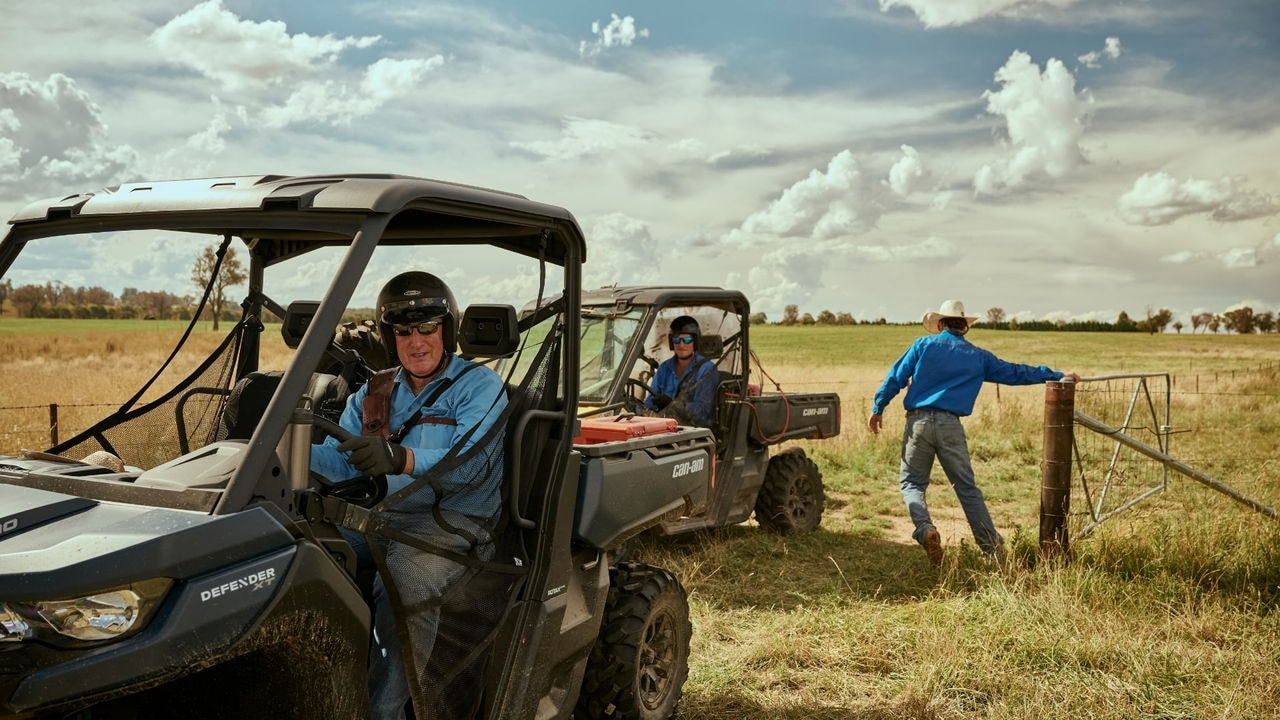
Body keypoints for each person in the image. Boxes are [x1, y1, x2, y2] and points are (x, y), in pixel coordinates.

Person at [311, 271, 508, 720]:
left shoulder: (478, 386)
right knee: (301, 547)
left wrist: (400, 458)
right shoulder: (375, 391)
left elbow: (470, 464)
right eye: (403, 330)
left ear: (448, 330)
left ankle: (390, 711)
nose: (416, 341)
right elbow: (343, 462)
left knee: (403, 582)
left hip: (453, 521)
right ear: (389, 336)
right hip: (378, 515)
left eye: (427, 327)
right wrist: (290, 447)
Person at [867, 299, 1080, 567]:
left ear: (941, 323)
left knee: (912, 483)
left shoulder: (923, 345)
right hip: (950, 425)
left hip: (918, 422)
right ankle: (993, 551)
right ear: (965, 326)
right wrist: (1057, 374)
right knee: (967, 490)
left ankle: (925, 530)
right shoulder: (978, 356)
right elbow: (1016, 373)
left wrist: (878, 408)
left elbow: (895, 377)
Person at [644, 314, 718, 427]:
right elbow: (650, 402)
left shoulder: (707, 369)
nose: (681, 345)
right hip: (666, 427)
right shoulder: (664, 368)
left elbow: (702, 412)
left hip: (694, 432)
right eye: (677, 339)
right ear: (672, 342)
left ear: (695, 341)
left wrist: (672, 404)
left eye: (687, 340)